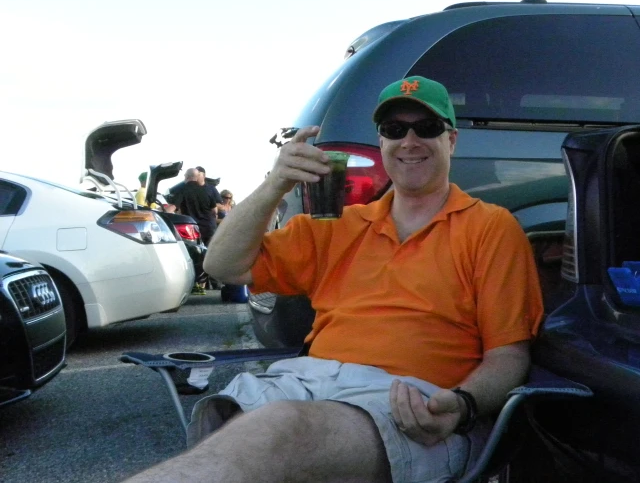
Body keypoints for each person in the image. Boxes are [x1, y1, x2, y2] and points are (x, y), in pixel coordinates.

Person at [126, 76, 543, 483]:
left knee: (275, 434)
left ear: (450, 140)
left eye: (427, 128)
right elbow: (224, 267)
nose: (409, 141)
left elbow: (508, 356)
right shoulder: (338, 226)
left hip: (410, 404)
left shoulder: (490, 227)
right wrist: (275, 184)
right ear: (381, 143)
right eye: (394, 129)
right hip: (308, 381)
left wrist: (464, 406)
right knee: (247, 439)